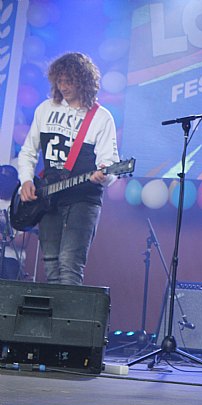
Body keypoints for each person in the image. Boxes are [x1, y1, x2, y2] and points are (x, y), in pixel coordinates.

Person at [17, 52, 119, 286]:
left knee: (70, 264)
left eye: (69, 81)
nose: (63, 87)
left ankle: (68, 311)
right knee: (51, 265)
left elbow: (110, 164)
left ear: (83, 81)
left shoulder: (101, 117)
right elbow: (28, 151)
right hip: (49, 196)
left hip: (83, 198)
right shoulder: (45, 109)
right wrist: (26, 180)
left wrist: (104, 175)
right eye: (60, 81)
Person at [0, 164, 26, 279]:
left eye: (5, 183)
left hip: (11, 258)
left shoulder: (22, 205)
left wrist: (4, 239)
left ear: (16, 184)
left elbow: (23, 241)